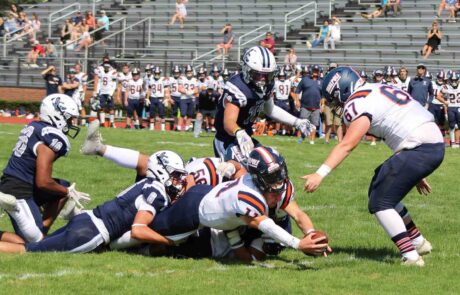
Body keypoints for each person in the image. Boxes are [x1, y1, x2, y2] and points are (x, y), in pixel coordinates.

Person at [303, 67, 445, 266]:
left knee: (379, 202)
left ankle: (411, 256)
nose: (336, 104)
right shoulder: (377, 88)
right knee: (381, 185)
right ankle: (419, 242)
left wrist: (320, 174)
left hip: (420, 146)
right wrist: (415, 171)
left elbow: (347, 144)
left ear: (342, 89)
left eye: (334, 98)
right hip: (431, 143)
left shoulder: (357, 102)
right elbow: (399, 127)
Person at [111, 147, 331, 260]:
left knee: (175, 244)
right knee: (148, 230)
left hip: (211, 201)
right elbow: (266, 225)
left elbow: (299, 214)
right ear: (258, 178)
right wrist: (298, 244)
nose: (279, 179)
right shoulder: (248, 194)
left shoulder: (276, 187)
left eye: (280, 172)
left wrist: (310, 233)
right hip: (193, 208)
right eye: (272, 176)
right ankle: (110, 242)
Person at [0, 151, 187, 254]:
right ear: (162, 171)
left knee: (39, 244)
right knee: (30, 251)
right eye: (177, 176)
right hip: (91, 233)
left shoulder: (146, 183)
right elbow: (138, 229)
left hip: (86, 219)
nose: (179, 182)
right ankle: (16, 209)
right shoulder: (157, 192)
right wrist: (169, 241)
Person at [0, 94, 90, 243]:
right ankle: (13, 208)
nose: (71, 123)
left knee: (62, 187)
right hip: (18, 189)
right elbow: (43, 181)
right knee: (32, 244)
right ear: (56, 115)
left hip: (20, 181)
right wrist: (69, 193)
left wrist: (65, 191)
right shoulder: (51, 136)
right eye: (69, 118)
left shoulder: (36, 126)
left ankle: (42, 231)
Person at [213, 45, 315, 158]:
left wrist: (297, 122)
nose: (263, 79)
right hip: (227, 139)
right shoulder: (237, 86)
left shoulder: (268, 85)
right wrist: (239, 132)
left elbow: (270, 110)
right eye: (258, 74)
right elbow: (228, 122)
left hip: (246, 136)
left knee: (269, 166)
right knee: (240, 174)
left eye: (267, 75)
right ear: (247, 70)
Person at [295, 64, 322, 145]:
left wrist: (322, 104)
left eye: (317, 71)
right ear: (311, 71)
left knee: (314, 125)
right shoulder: (305, 79)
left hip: (316, 107)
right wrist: (297, 101)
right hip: (305, 106)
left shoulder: (322, 81)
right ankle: (300, 138)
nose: (315, 72)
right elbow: (297, 91)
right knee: (302, 123)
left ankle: (312, 141)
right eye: (314, 71)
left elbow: (323, 95)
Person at [146, 66, 170, 131]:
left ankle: (162, 127)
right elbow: (149, 89)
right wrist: (147, 98)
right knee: (152, 113)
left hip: (160, 98)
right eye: (156, 73)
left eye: (158, 73)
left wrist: (166, 99)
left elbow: (166, 90)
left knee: (162, 113)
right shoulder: (151, 79)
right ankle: (151, 127)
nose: (157, 74)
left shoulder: (163, 79)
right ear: (154, 73)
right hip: (153, 98)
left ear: (160, 73)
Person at [441, 72, 460, 147]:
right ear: (450, 80)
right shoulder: (447, 87)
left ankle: (457, 142)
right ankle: (453, 143)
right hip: (451, 107)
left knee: (459, 126)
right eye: (452, 80)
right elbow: (439, 96)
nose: (454, 81)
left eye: (455, 80)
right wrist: (445, 102)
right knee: (452, 126)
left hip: (459, 107)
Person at [178, 65, 198, 131]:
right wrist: (187, 92)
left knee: (190, 114)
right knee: (183, 114)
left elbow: (197, 90)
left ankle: (187, 127)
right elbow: (179, 89)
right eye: (187, 71)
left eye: (190, 71)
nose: (189, 72)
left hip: (192, 98)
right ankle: (179, 127)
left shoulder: (195, 80)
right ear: (185, 72)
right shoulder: (182, 79)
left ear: (192, 72)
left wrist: (191, 92)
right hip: (183, 98)